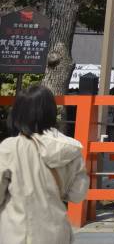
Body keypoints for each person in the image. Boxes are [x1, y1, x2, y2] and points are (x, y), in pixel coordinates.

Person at [0, 85, 90, 243]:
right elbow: (77, 195)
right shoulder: (72, 148)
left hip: (18, 232)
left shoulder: (10, 148)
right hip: (57, 232)